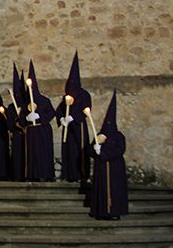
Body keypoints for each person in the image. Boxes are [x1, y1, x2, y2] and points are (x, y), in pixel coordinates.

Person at [89, 91, 128, 220]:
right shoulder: (99, 135)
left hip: (115, 169)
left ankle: (115, 212)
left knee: (115, 190)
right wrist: (95, 149)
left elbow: (120, 150)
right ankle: (101, 212)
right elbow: (91, 151)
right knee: (102, 190)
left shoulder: (119, 136)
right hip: (101, 169)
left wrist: (103, 152)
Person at [56, 52, 92, 183]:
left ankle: (82, 174)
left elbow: (86, 110)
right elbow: (60, 109)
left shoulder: (84, 95)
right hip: (68, 128)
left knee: (80, 150)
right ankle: (70, 174)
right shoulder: (66, 96)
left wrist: (72, 117)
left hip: (79, 126)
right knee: (69, 149)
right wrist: (61, 119)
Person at [21, 61, 55, 181]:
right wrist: (26, 118)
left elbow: (51, 113)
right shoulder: (25, 104)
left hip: (42, 131)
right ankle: (32, 175)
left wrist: (39, 116)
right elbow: (21, 119)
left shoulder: (44, 101)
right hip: (31, 132)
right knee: (32, 154)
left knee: (43, 153)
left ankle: (45, 175)